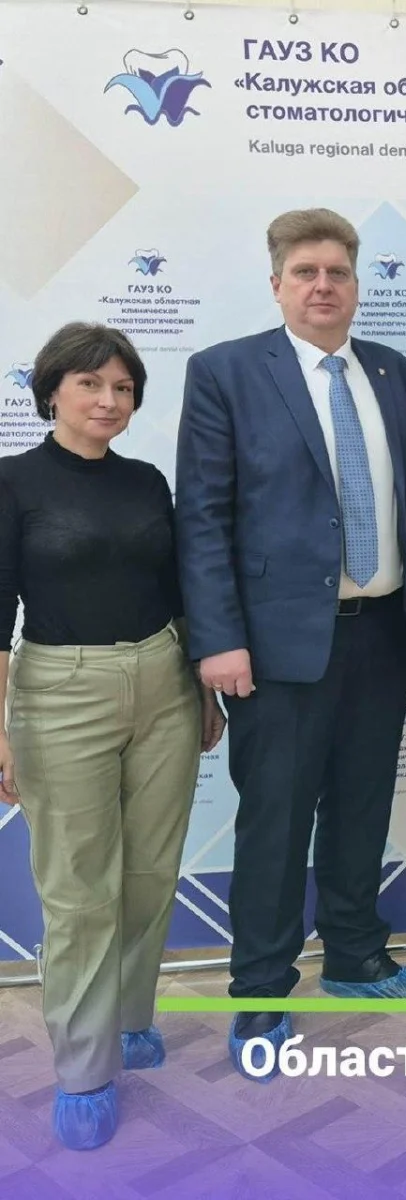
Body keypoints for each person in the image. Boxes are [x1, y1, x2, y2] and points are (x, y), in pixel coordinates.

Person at [175, 208, 406, 1077]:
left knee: (363, 806)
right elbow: (203, 516)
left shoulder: (397, 375)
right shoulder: (225, 372)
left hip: (384, 635)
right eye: (306, 272)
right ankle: (260, 989)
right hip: (274, 649)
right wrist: (218, 640)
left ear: (356, 284)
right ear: (277, 285)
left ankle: (356, 954)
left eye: (337, 272)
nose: (323, 286)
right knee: (276, 823)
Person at [0, 323, 223, 1149]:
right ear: (51, 390)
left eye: (123, 388)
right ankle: (84, 1071)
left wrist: (204, 691)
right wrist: (0, 730)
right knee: (78, 890)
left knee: (150, 873)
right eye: (91, 384)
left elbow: (177, 591)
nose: (108, 400)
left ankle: (131, 1019)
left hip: (165, 682)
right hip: (60, 693)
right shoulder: (12, 482)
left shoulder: (146, 481)